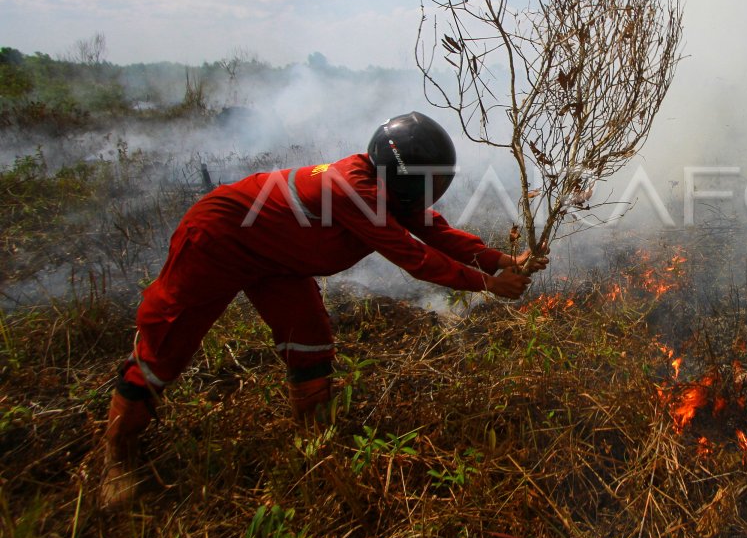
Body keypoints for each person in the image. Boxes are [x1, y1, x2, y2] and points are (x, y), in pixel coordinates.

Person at [100, 112, 547, 506]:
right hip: (217, 240)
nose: (433, 194)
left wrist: (504, 261)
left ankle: (316, 446)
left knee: (309, 337)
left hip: (275, 260)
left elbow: (436, 233)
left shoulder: (389, 191)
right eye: (430, 182)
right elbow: (416, 259)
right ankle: (116, 456)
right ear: (406, 177)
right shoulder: (354, 189)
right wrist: (488, 285)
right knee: (169, 342)